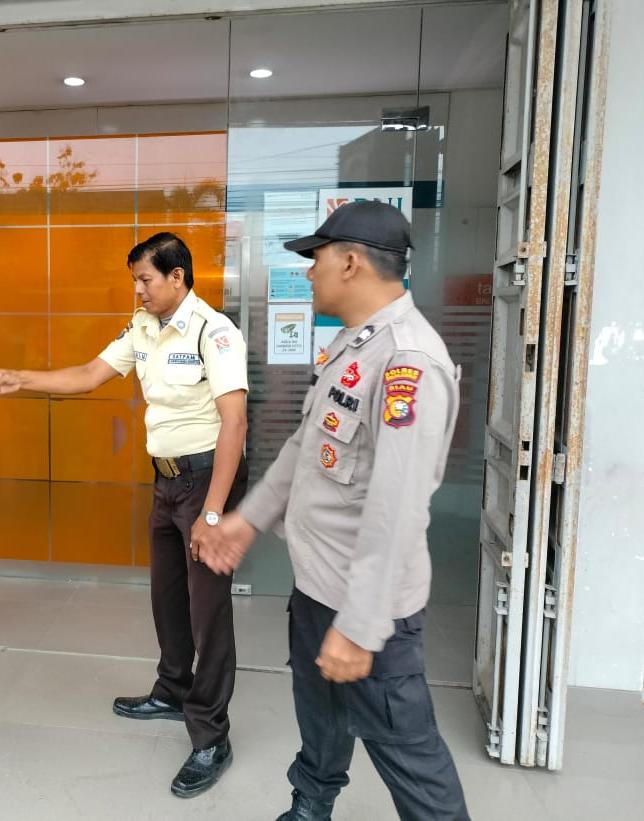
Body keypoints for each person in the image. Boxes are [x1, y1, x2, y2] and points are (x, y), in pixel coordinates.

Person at [195, 202, 470, 821]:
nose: (308, 271)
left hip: (367, 606)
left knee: (409, 756)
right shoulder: (355, 343)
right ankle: (310, 807)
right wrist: (248, 519)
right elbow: (306, 447)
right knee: (320, 723)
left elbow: (398, 510)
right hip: (318, 589)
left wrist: (361, 626)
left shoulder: (407, 363)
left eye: (315, 258)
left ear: (350, 262)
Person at [0, 232, 249, 798]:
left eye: (145, 279)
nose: (138, 290)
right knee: (167, 596)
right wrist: (20, 379)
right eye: (135, 281)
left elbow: (235, 423)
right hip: (167, 480)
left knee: (207, 610)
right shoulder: (143, 328)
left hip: (208, 481)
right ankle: (172, 690)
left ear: (177, 276)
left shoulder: (214, 332)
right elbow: (88, 375)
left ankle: (211, 736)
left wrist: (211, 515)